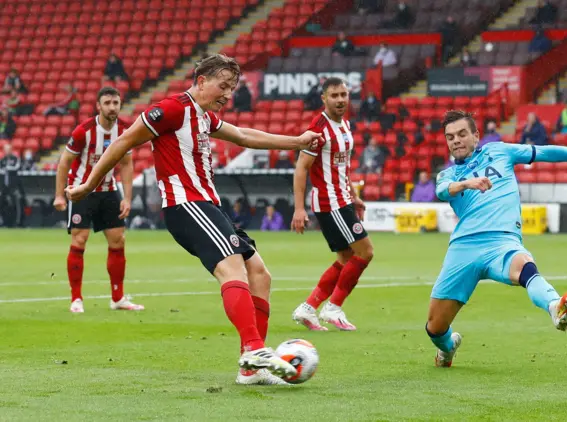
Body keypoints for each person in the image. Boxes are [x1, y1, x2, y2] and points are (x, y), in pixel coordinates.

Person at [65, 54, 321, 385]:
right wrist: (88, 184)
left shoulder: (204, 117)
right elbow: (123, 142)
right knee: (232, 270)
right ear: (201, 81)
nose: (228, 94)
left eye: (232, 88)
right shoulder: (171, 109)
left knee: (260, 274)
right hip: (186, 205)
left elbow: (243, 135)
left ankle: (250, 367)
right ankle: (255, 349)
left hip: (208, 206)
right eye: (223, 86)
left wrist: (296, 141)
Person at [429, 110, 567, 367]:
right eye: (450, 136)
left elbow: (545, 152)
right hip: (464, 248)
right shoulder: (448, 175)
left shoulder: (499, 151)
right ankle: (448, 347)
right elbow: (442, 191)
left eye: (462, 134)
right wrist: (467, 184)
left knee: (524, 265)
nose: (456, 140)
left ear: (476, 135)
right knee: (435, 327)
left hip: (502, 241)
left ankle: (556, 307)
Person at [291, 77, 374, 332]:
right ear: (324, 99)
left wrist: (353, 195)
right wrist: (299, 208)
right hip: (330, 202)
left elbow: (342, 167)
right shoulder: (318, 130)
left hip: (342, 198)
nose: (340, 100)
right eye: (334, 95)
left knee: (345, 257)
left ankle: (308, 308)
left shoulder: (345, 126)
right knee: (365, 252)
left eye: (343, 95)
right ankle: (333, 307)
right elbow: (301, 168)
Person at [52, 87, 140, 313]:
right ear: (98, 106)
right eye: (108, 103)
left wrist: (127, 198)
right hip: (82, 191)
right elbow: (64, 162)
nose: (112, 107)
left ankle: (118, 298)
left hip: (109, 190)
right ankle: (76, 299)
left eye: (116, 102)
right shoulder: (84, 131)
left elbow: (127, 164)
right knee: (79, 240)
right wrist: (60, 194)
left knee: (118, 240)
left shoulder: (124, 130)